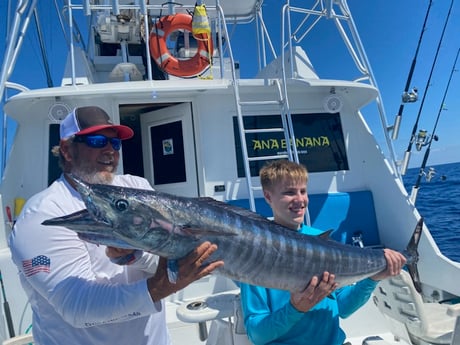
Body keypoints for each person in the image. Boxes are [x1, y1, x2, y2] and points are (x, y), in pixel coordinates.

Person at [8, 106, 223, 345]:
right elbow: (79, 307)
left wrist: (134, 257)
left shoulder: (137, 188)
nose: (110, 150)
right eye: (97, 141)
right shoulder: (42, 214)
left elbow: (164, 256)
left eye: (116, 143)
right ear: (67, 151)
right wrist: (159, 287)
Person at [239, 160, 406, 345]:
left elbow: (343, 307)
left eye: (303, 191)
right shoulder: (258, 250)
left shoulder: (320, 240)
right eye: (289, 192)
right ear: (268, 197)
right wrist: (295, 308)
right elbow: (256, 334)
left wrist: (373, 278)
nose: (300, 199)